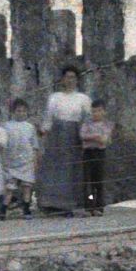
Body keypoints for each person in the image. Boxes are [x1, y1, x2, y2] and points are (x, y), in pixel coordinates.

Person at [38, 65, 90, 215]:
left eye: (73, 77)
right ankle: (51, 204)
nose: (70, 80)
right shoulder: (54, 98)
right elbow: (48, 119)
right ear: (62, 79)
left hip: (74, 137)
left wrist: (85, 136)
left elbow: (87, 120)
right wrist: (43, 132)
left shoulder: (83, 99)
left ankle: (68, 205)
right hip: (56, 137)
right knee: (54, 170)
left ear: (77, 80)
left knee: (71, 170)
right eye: (67, 77)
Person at [2, 98, 40, 218]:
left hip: (26, 161)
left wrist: (35, 161)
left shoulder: (30, 127)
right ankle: (2, 210)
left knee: (27, 187)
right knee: (9, 188)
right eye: (18, 111)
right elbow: (4, 144)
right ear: (13, 112)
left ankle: (26, 210)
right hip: (11, 162)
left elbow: (34, 145)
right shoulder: (7, 126)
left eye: (23, 111)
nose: (21, 113)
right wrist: (3, 160)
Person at [79, 101, 114, 215]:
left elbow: (104, 140)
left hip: (100, 153)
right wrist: (96, 136)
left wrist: (92, 137)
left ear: (104, 112)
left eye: (99, 111)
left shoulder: (107, 125)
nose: (96, 113)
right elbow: (83, 136)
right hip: (88, 153)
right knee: (87, 182)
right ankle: (89, 207)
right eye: (94, 111)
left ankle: (99, 207)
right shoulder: (87, 124)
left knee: (98, 181)